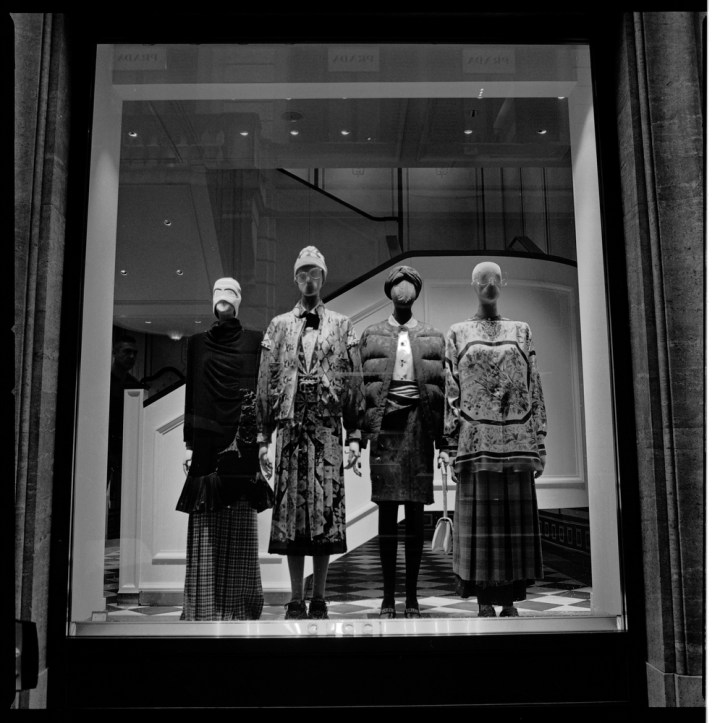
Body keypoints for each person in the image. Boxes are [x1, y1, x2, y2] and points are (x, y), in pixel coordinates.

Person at [256, 246, 364, 620]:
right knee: (292, 514)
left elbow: (354, 380)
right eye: (302, 273)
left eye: (314, 272)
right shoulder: (279, 326)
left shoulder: (342, 325)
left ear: (323, 277)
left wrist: (354, 434)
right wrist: (263, 436)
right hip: (290, 428)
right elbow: (265, 379)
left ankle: (319, 596)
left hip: (327, 429)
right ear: (295, 278)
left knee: (325, 514)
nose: (308, 280)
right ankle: (294, 597)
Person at [439, 261, 546, 617]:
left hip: (517, 442)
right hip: (475, 443)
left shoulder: (522, 331)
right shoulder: (458, 333)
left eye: (495, 279)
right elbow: (450, 390)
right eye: (482, 280)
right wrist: (450, 444)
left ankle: (510, 600)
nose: (489, 285)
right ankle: (484, 599)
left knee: (512, 525)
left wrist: (539, 440)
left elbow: (534, 385)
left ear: (504, 283)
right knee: (481, 526)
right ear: (473, 285)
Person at [175, 277, 264, 621]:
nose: (223, 296)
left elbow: (260, 391)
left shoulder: (255, 341)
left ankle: (238, 607)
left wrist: (262, 441)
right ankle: (205, 606)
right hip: (206, 441)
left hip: (242, 441)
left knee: (239, 519)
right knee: (207, 522)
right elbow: (192, 392)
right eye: (217, 291)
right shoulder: (197, 343)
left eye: (230, 292)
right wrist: (189, 443)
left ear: (239, 300)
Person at [358, 265, 445, 619]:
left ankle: (411, 596)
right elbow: (360, 388)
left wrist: (444, 441)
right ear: (390, 291)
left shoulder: (433, 336)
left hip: (420, 428)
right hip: (386, 428)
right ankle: (387, 597)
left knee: (415, 513)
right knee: (387, 512)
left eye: (409, 285)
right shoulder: (372, 334)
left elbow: (443, 390)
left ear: (417, 293)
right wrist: (359, 434)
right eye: (398, 284)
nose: (403, 290)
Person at [107, 333, 147, 540]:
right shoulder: (103, 381)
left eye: (134, 353)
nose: (131, 357)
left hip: (125, 446)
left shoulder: (134, 385)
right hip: (104, 445)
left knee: (123, 494)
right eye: (127, 352)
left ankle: (118, 538)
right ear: (115, 352)